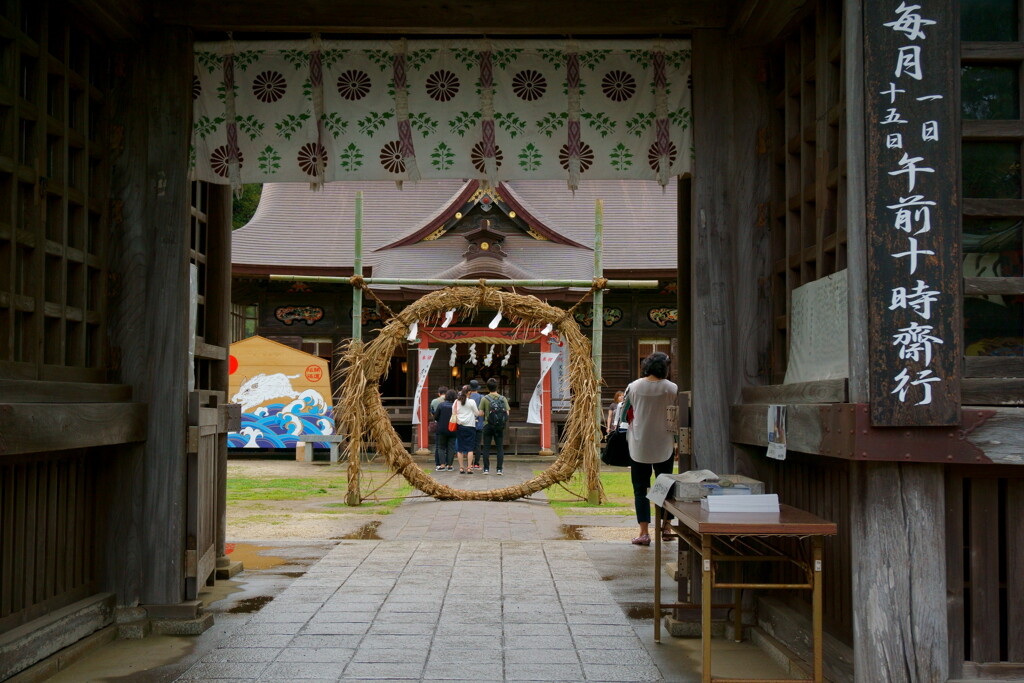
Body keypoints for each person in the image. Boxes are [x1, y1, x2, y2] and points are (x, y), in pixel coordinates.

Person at [625, 352, 678, 546]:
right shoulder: (672, 389)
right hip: (664, 442)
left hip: (638, 444)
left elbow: (624, 414)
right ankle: (666, 527)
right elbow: (677, 414)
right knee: (666, 487)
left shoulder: (634, 387)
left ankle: (644, 532)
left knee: (640, 489)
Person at [478, 378, 508, 475]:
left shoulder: (484, 399)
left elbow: (481, 413)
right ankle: (499, 469)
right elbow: (507, 412)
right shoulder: (503, 398)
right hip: (499, 426)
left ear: (487, 387)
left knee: (486, 447)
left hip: (487, 425)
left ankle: (486, 469)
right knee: (500, 448)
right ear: (497, 387)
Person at [453, 384, 482, 474]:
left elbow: (453, 413)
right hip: (470, 426)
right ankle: (469, 467)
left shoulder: (456, 402)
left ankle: (461, 468)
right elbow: (477, 413)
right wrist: (481, 413)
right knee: (470, 449)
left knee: (460, 449)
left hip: (460, 426)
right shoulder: (471, 402)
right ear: (469, 392)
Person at [432, 389, 457, 471]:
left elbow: (435, 417)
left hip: (441, 429)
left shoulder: (441, 405)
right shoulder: (456, 406)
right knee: (451, 447)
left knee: (441, 447)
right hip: (453, 429)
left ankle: (442, 465)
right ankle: (449, 465)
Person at [430, 386, 449, 469]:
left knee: (438, 445)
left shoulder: (434, 401)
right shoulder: (450, 401)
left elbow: (432, 413)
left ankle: (438, 463)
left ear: (439, 393)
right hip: (449, 425)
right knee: (449, 445)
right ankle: (448, 463)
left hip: (438, 425)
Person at [468, 379, 485, 468]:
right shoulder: (482, 397)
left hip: (468, 423)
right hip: (479, 423)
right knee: (478, 444)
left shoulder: (467, 397)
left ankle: (469, 463)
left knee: (469, 444)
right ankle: (476, 463)